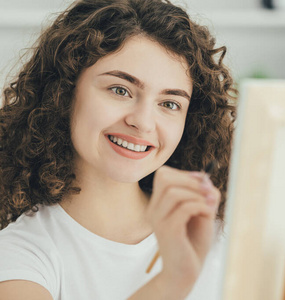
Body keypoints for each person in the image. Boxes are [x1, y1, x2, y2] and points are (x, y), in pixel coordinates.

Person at [0, 0, 236, 299]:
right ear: (63, 92)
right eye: (120, 90)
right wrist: (174, 279)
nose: (143, 122)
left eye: (169, 104)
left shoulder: (221, 235)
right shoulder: (20, 256)